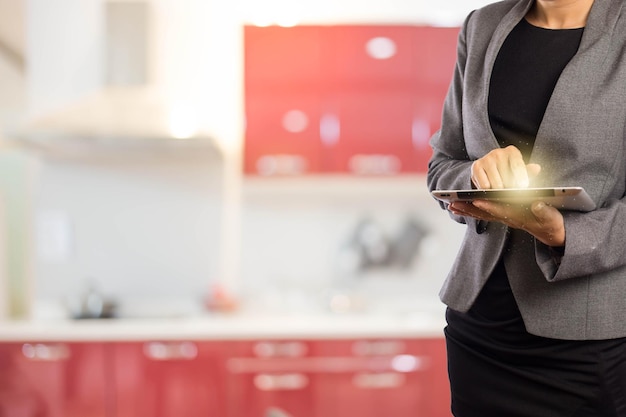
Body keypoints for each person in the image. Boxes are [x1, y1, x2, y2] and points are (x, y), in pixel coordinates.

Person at [427, 0, 626, 415]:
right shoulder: (482, 26)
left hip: (589, 342)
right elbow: (442, 164)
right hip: (480, 331)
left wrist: (564, 234)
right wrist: (476, 176)